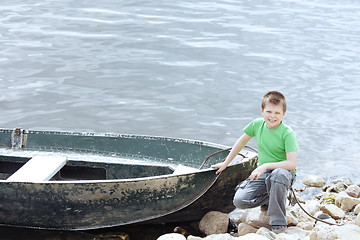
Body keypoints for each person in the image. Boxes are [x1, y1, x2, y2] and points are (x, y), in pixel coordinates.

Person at [211, 91, 298, 234]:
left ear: (284, 113)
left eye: (277, 113)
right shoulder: (257, 124)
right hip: (265, 175)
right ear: (262, 111)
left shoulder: (287, 133)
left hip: (284, 173)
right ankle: (271, 198)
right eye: (269, 111)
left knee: (278, 175)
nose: (272, 116)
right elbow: (241, 142)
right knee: (240, 200)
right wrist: (226, 163)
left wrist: (265, 165)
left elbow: (292, 164)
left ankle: (278, 224)